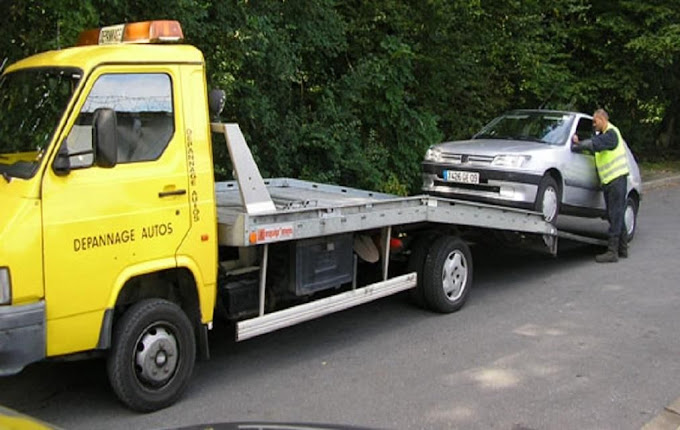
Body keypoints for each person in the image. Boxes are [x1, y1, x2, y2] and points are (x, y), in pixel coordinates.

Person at [572, 109, 630, 263]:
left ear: (603, 120)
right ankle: (622, 249)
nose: (593, 124)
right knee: (615, 214)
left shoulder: (611, 134)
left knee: (614, 213)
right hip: (610, 181)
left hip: (616, 179)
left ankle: (612, 252)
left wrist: (577, 146)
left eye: (595, 121)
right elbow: (594, 142)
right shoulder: (604, 135)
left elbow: (593, 144)